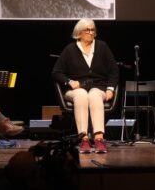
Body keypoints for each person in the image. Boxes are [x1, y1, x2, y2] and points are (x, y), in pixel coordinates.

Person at [51, 19, 119, 154]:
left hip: (98, 87)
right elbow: (56, 73)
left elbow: (114, 70)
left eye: (93, 30)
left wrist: (110, 88)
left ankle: (99, 139)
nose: (91, 32)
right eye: (87, 30)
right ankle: (84, 139)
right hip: (75, 90)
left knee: (94, 95)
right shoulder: (70, 49)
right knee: (82, 94)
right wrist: (69, 82)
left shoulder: (102, 46)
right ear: (79, 33)